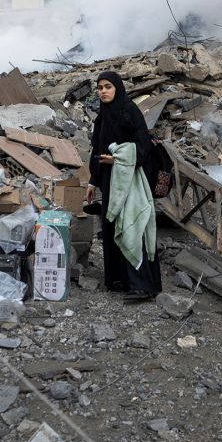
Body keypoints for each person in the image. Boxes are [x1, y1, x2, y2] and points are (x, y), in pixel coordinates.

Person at [85, 71, 162, 302]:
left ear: (117, 88)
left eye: (108, 86)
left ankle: (143, 286)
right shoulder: (103, 116)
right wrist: (93, 180)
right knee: (111, 226)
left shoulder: (129, 111)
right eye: (100, 88)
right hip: (110, 180)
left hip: (130, 180)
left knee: (131, 226)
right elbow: (97, 149)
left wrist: (118, 159)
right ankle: (120, 279)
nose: (103, 91)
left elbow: (144, 146)